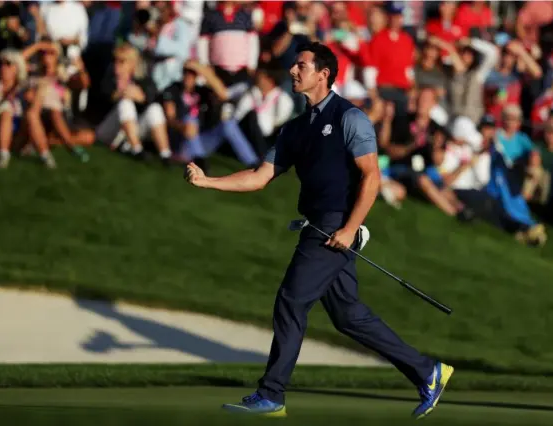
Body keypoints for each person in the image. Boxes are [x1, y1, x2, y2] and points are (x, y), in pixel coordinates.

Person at [184, 42, 454, 418]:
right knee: (348, 316)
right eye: (295, 66)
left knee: (292, 300)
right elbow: (260, 177)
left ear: (324, 73)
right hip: (318, 224)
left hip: (333, 226)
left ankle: (272, 393)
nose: (294, 72)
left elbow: (371, 178)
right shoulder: (295, 129)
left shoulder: (350, 117)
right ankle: (428, 371)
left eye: (302, 66)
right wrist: (209, 182)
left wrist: (349, 228)